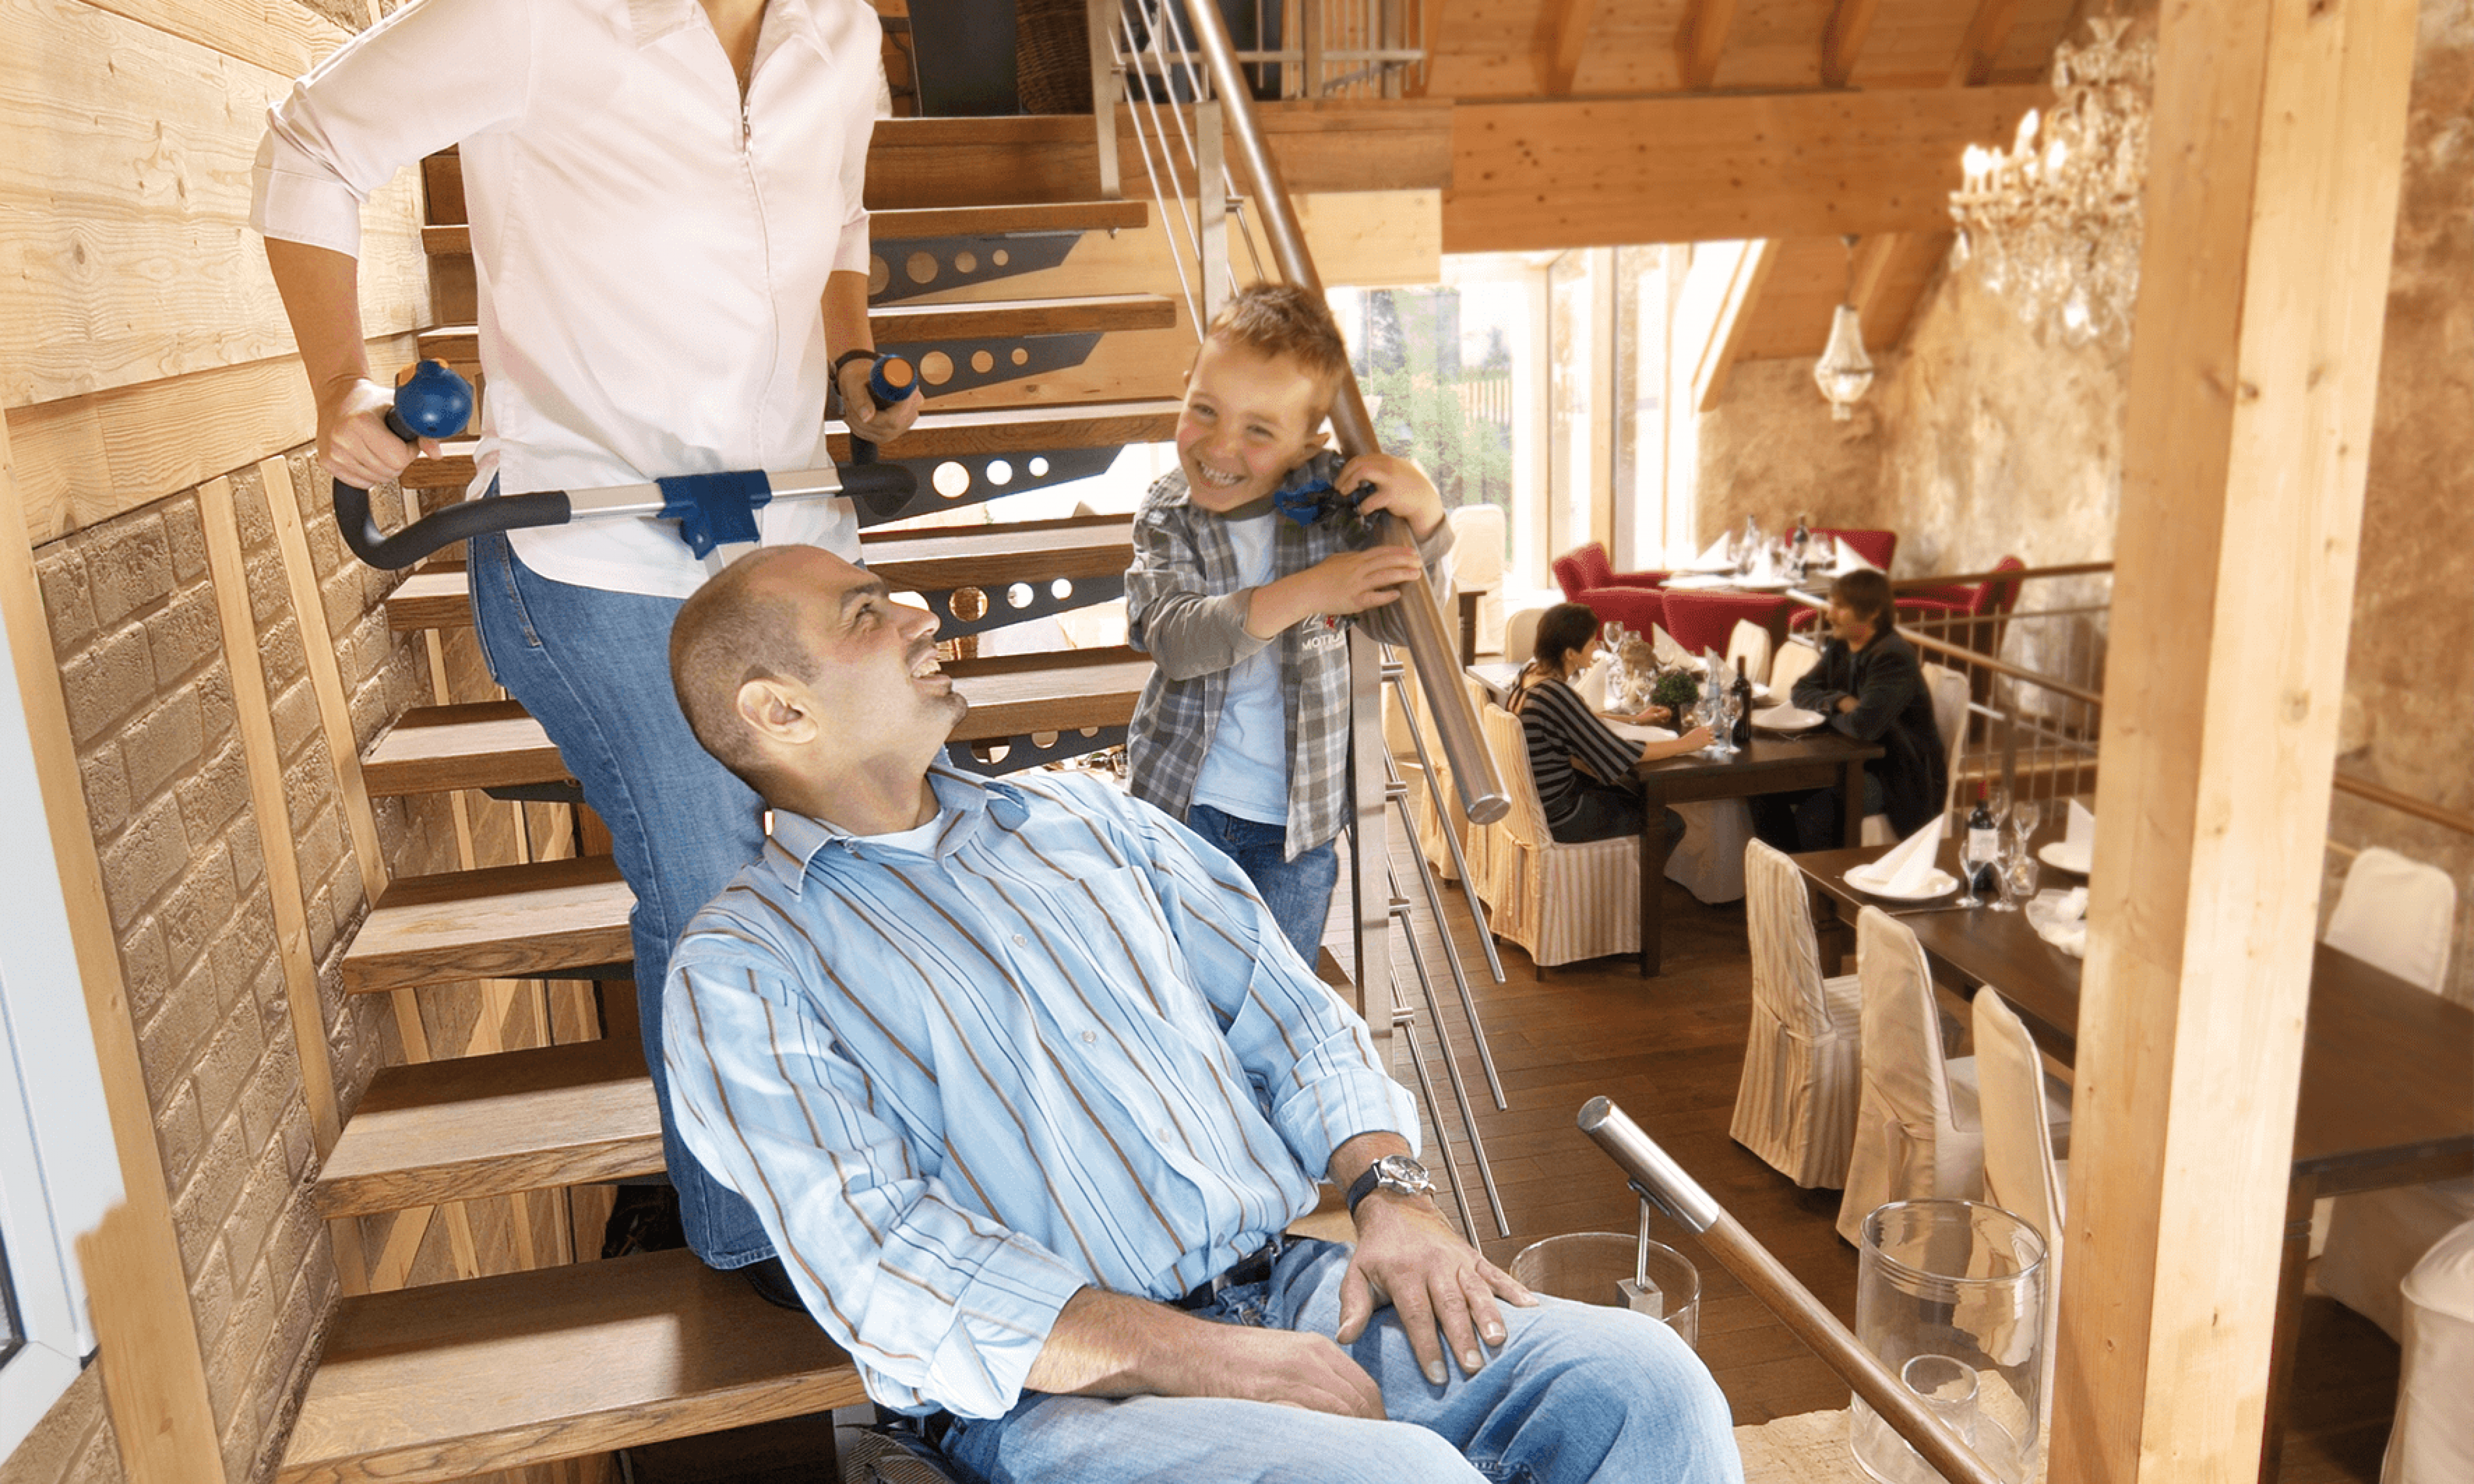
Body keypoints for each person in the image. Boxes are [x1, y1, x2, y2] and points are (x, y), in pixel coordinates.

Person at [657, 544, 1744, 1484]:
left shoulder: (1090, 820)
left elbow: (1293, 1018)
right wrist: (1208, 1359)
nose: (918, 615)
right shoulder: (745, 967)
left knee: (1646, 1382)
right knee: (1400, 1477)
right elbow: (885, 1264)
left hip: (1297, 1291)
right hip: (1060, 1401)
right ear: (779, 710)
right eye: (866, 613)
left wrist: (1392, 1194)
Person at [250, 0, 920, 1298]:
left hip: (784, 533)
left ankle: (868, 1160)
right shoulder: (537, 17)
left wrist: (853, 362)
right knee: (710, 876)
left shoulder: (837, 30)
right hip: (591, 550)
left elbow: (837, 221)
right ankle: (752, 1235)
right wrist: (338, 384)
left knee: (861, 856)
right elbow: (311, 144)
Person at [1122, 284, 1454, 964]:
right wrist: (1314, 589)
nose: (1221, 446)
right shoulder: (1167, 513)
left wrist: (1425, 516)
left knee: (1280, 998)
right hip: (1181, 809)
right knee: (1175, 992)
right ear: (1185, 389)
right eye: (1205, 410)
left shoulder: (1337, 508)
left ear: (1308, 443)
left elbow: (1404, 622)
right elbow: (1175, 640)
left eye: (1259, 430)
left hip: (1296, 832)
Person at [1751, 570, 1947, 852]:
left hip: (1894, 778)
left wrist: (1827, 711)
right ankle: (1788, 870)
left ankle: (1816, 878)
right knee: (1762, 790)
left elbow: (1863, 727)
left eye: (1840, 607)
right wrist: (1838, 700)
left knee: (1818, 811)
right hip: (1847, 762)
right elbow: (1800, 692)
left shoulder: (1893, 657)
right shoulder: (1842, 646)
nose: (1829, 615)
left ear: (1873, 612)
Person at [1511, 603, 1711, 845]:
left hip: (1543, 804)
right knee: (1669, 823)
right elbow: (1620, 752)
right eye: (1591, 643)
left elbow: (1581, 718)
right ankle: (1627, 872)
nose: (1597, 648)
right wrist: (1687, 744)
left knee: (1633, 794)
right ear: (1571, 654)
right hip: (1563, 815)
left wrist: (1636, 719)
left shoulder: (1529, 675)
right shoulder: (1554, 695)